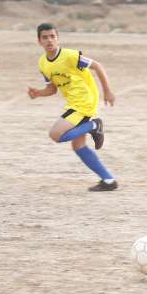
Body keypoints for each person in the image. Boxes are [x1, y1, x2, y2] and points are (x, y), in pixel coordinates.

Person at [28, 23, 118, 192]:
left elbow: (97, 66)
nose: (49, 40)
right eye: (45, 37)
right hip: (74, 103)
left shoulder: (70, 56)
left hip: (84, 101)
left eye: (52, 36)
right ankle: (108, 180)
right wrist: (38, 93)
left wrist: (107, 91)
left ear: (58, 38)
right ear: (39, 41)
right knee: (78, 146)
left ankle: (94, 125)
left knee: (55, 134)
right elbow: (52, 89)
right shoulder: (43, 63)